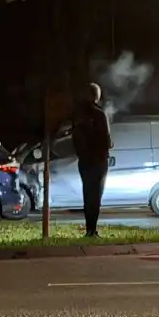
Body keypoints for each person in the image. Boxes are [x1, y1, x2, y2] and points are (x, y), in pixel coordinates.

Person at [72, 83, 112, 237]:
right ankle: (92, 230)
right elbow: (106, 140)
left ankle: (89, 228)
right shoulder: (100, 114)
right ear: (97, 96)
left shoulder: (78, 115)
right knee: (96, 195)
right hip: (99, 160)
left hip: (84, 161)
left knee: (87, 194)